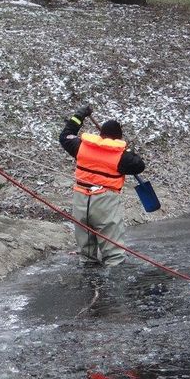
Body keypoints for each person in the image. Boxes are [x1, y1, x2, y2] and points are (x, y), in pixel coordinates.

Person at [59, 105, 145, 266]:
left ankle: (88, 284)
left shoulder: (80, 147)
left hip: (80, 202)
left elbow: (66, 135)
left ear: (101, 135)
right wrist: (126, 150)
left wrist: (80, 115)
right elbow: (139, 165)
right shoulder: (122, 157)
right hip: (105, 204)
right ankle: (112, 286)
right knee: (114, 256)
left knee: (87, 255)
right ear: (118, 139)